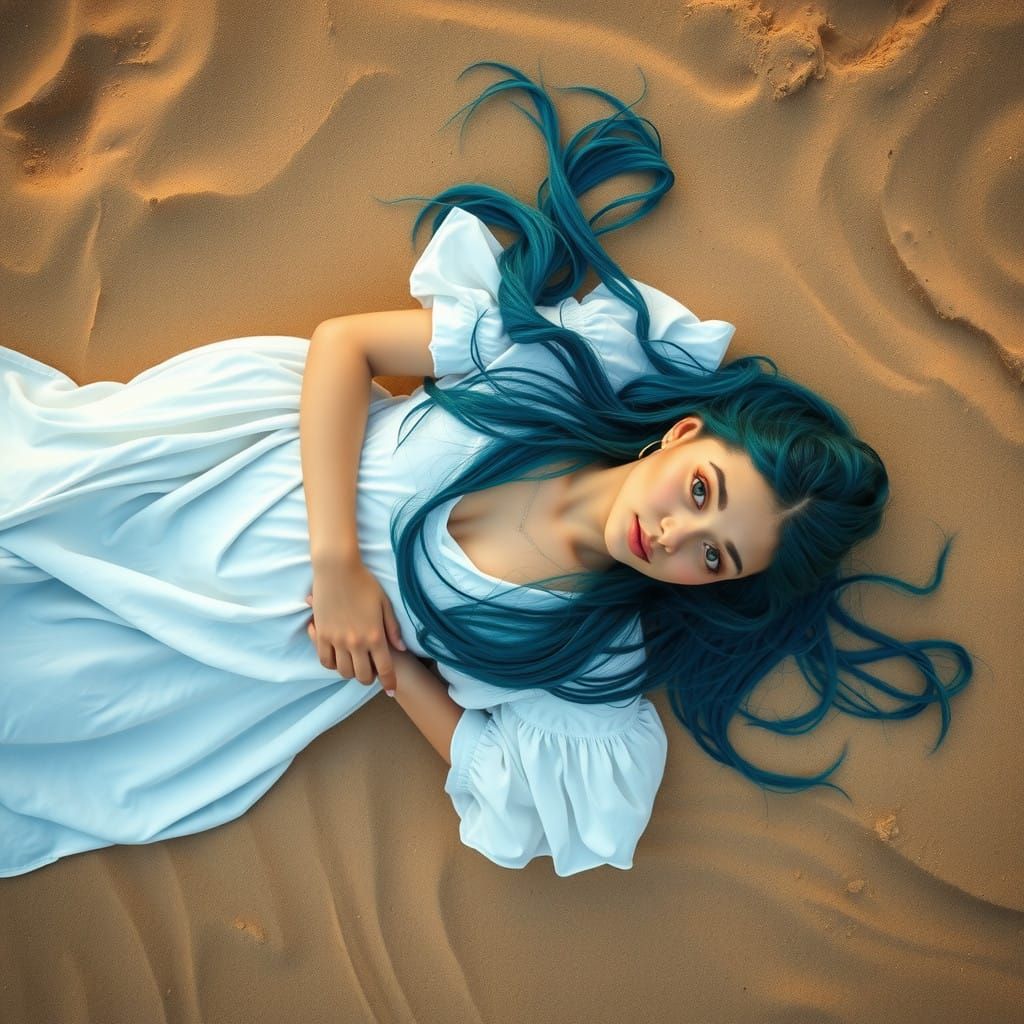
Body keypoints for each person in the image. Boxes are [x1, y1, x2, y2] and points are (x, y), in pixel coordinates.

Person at [0, 62, 971, 879]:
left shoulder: (596, 656)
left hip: (255, 653)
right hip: (252, 464)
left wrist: (397, 671)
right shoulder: (548, 367)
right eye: (703, 494)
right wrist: (339, 560)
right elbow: (343, 346)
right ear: (682, 438)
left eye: (714, 559)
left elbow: (508, 789)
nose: (676, 536)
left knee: (38, 692)